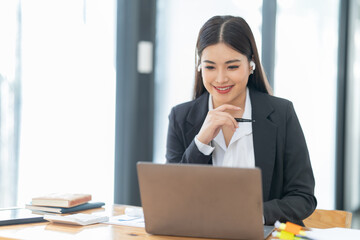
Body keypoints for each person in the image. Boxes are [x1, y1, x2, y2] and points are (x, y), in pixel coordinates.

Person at [165, 15, 317, 225]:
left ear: (251, 64)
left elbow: (303, 198)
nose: (220, 78)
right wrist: (201, 141)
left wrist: (253, 215)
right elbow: (171, 198)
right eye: (210, 67)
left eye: (232, 67)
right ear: (199, 67)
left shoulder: (282, 113)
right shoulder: (180, 118)